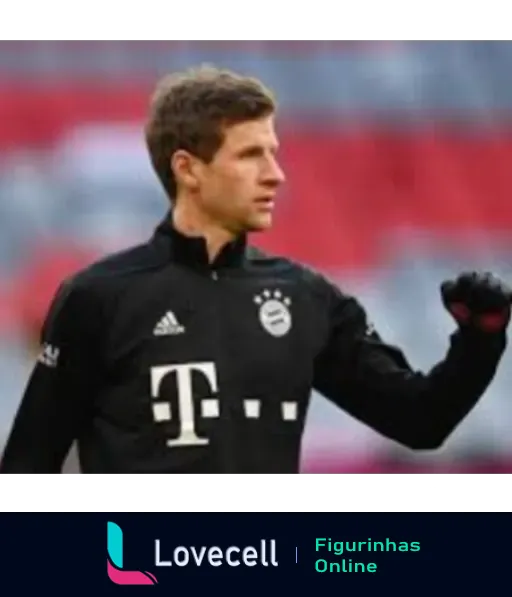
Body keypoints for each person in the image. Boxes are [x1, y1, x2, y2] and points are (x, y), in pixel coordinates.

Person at [0, 66, 510, 480]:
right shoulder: (97, 298)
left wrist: (479, 341)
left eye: (274, 153)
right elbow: (27, 467)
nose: (276, 173)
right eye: (250, 155)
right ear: (188, 169)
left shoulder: (307, 297)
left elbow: (420, 421)